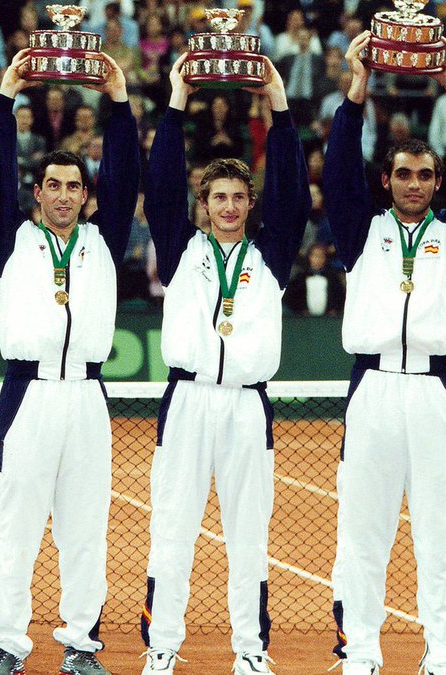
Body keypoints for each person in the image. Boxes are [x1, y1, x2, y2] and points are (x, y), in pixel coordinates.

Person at [324, 32, 446, 675]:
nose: (415, 183)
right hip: (371, 389)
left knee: (441, 534)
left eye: (425, 174)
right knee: (362, 534)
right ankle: (361, 652)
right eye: (403, 173)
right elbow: (340, 164)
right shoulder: (359, 233)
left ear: (435, 181)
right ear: (388, 179)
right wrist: (358, 82)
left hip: (436, 390)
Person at [138, 50, 309, 675]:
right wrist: (177, 102)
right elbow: (159, 185)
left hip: (245, 404)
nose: (231, 207)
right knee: (173, 529)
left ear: (249, 204)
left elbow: (293, 193)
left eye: (239, 197)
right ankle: (162, 646)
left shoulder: (272, 257)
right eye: (219, 197)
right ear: (203, 204)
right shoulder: (180, 248)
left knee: (248, 537)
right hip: (185, 402)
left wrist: (280, 106)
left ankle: (249, 649)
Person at [0, 49, 139, 675]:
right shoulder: (10, 240)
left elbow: (125, 174)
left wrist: (119, 102)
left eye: (75, 186)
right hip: (28, 396)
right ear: (37, 192)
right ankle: (8, 644)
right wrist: (6, 94)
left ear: (86, 195)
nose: (65, 195)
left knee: (84, 527)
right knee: (14, 526)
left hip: (87, 398)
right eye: (53, 185)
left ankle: (79, 644)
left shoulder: (104, 243)